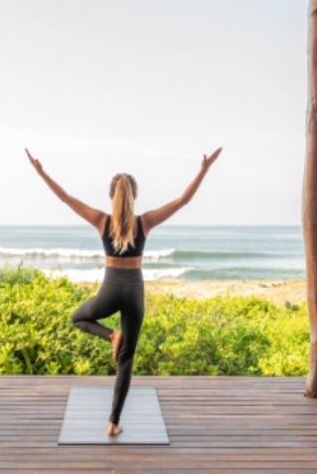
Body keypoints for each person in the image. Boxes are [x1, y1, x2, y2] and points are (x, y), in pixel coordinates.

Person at [25, 147, 222, 436]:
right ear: (135, 197)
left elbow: (65, 198)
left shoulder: (101, 220)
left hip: (110, 291)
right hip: (134, 294)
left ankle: (110, 335)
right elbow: (183, 200)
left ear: (111, 196)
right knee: (126, 360)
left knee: (78, 317)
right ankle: (113, 423)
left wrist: (41, 172)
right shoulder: (145, 222)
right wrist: (204, 169)